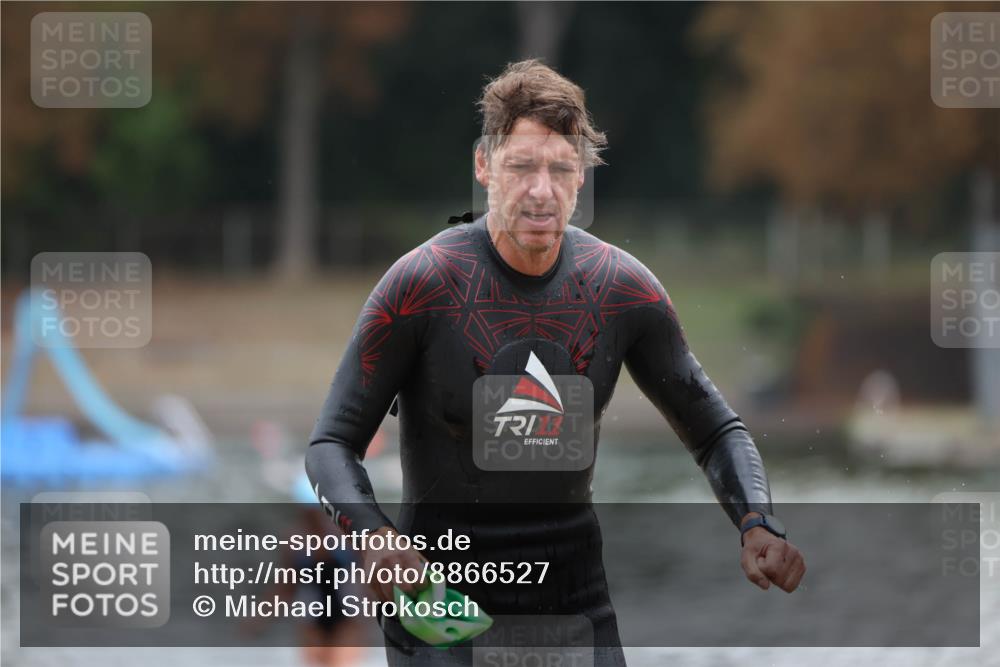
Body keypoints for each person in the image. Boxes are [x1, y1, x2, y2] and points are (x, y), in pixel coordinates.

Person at [306, 59, 805, 666]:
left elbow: (715, 429)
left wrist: (758, 522)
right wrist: (375, 538)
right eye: (522, 166)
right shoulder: (422, 285)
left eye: (560, 170)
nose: (541, 190)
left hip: (572, 606)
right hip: (437, 606)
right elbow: (331, 444)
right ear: (485, 166)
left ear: (580, 180)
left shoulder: (622, 290)